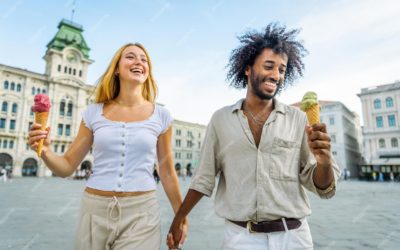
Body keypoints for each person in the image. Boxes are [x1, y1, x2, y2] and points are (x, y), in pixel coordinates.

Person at [168, 23, 341, 250]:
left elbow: (323, 187)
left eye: (281, 69)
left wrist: (324, 160)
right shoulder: (221, 120)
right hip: (240, 238)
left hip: (294, 238)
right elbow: (203, 178)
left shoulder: (299, 120)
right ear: (248, 68)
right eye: (268, 66)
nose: (276, 75)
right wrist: (179, 218)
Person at [28, 43, 187, 249]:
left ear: (148, 72)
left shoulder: (162, 115)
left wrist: (180, 216)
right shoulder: (93, 113)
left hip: (142, 214)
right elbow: (67, 166)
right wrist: (45, 151)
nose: (139, 61)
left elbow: (166, 172)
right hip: (94, 212)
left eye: (144, 59)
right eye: (130, 57)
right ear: (117, 69)